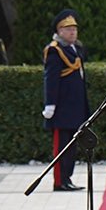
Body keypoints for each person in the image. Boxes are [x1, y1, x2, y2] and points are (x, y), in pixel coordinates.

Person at [40, 11, 88, 191]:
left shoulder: (76, 48)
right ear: (59, 31)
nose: (72, 32)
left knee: (72, 147)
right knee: (62, 147)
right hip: (61, 108)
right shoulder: (55, 51)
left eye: (74, 29)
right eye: (68, 29)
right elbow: (51, 79)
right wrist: (50, 104)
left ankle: (68, 178)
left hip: (75, 107)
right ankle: (60, 180)